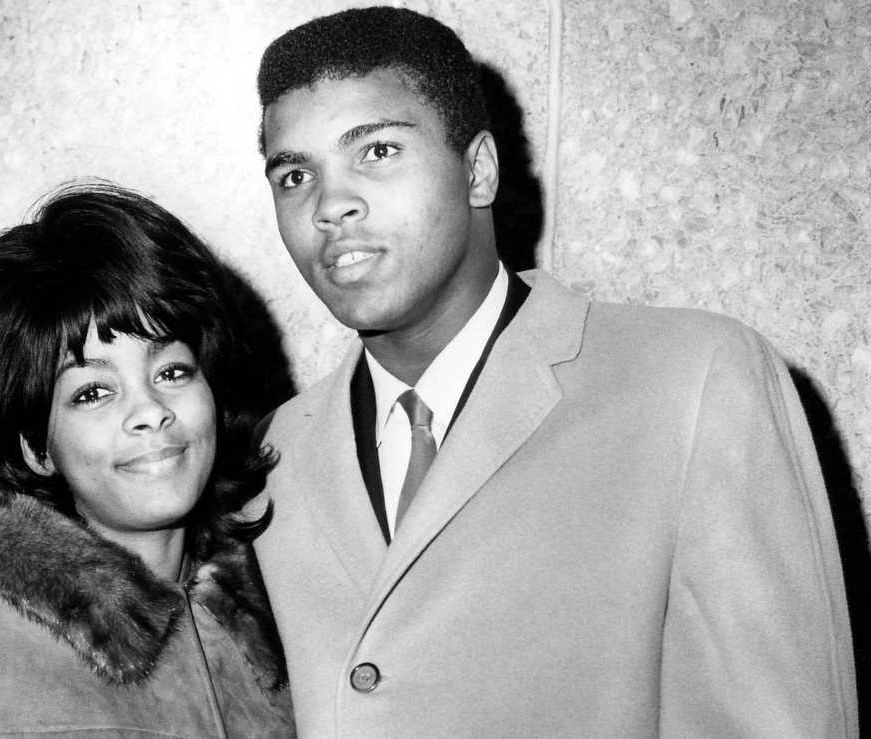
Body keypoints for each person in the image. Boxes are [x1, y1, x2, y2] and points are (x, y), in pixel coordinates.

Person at [250, 6, 857, 737]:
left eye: (377, 150)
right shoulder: (275, 453)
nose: (330, 205)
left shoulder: (692, 382)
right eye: (294, 174)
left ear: (478, 170)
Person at [0, 182, 295, 737]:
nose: (149, 411)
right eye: (93, 392)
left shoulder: (292, 619)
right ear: (34, 447)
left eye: (172, 372)